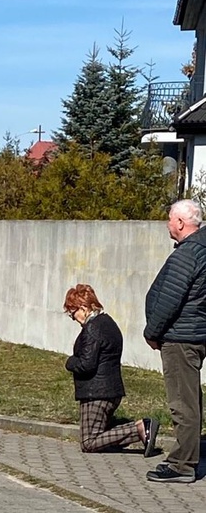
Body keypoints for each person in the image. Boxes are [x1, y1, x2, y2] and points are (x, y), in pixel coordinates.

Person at [143, 199, 206, 484]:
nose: (168, 224)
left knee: (183, 403)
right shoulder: (200, 250)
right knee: (191, 400)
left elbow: (170, 299)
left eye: (169, 219)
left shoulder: (188, 254)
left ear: (181, 222)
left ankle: (182, 464)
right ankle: (188, 456)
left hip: (181, 337)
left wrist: (153, 331)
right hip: (194, 334)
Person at [63, 284, 159, 457]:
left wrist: (70, 362)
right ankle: (140, 429)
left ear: (83, 307)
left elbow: (86, 364)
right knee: (97, 437)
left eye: (73, 313)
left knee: (88, 442)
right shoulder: (108, 323)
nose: (73, 318)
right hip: (110, 389)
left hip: (97, 393)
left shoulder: (92, 328)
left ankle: (141, 427)